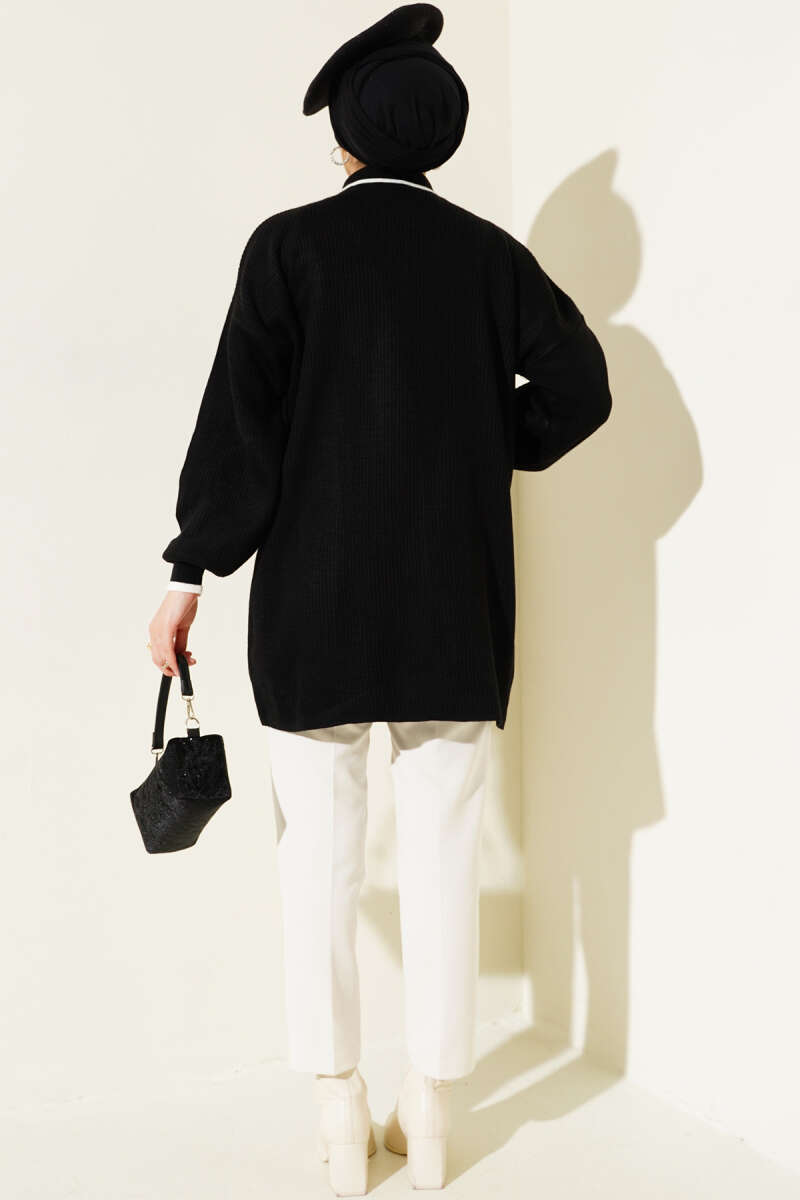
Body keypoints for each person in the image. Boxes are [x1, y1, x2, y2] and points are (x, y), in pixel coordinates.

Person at [147, 4, 612, 1194]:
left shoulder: (288, 250)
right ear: (439, 134)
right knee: (447, 854)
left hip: (314, 609)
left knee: (317, 862)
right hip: (455, 608)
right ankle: (433, 1111)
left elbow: (240, 434)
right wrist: (486, 441)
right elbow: (580, 387)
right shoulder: (489, 259)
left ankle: (338, 1112)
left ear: (346, 136)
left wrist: (191, 567)